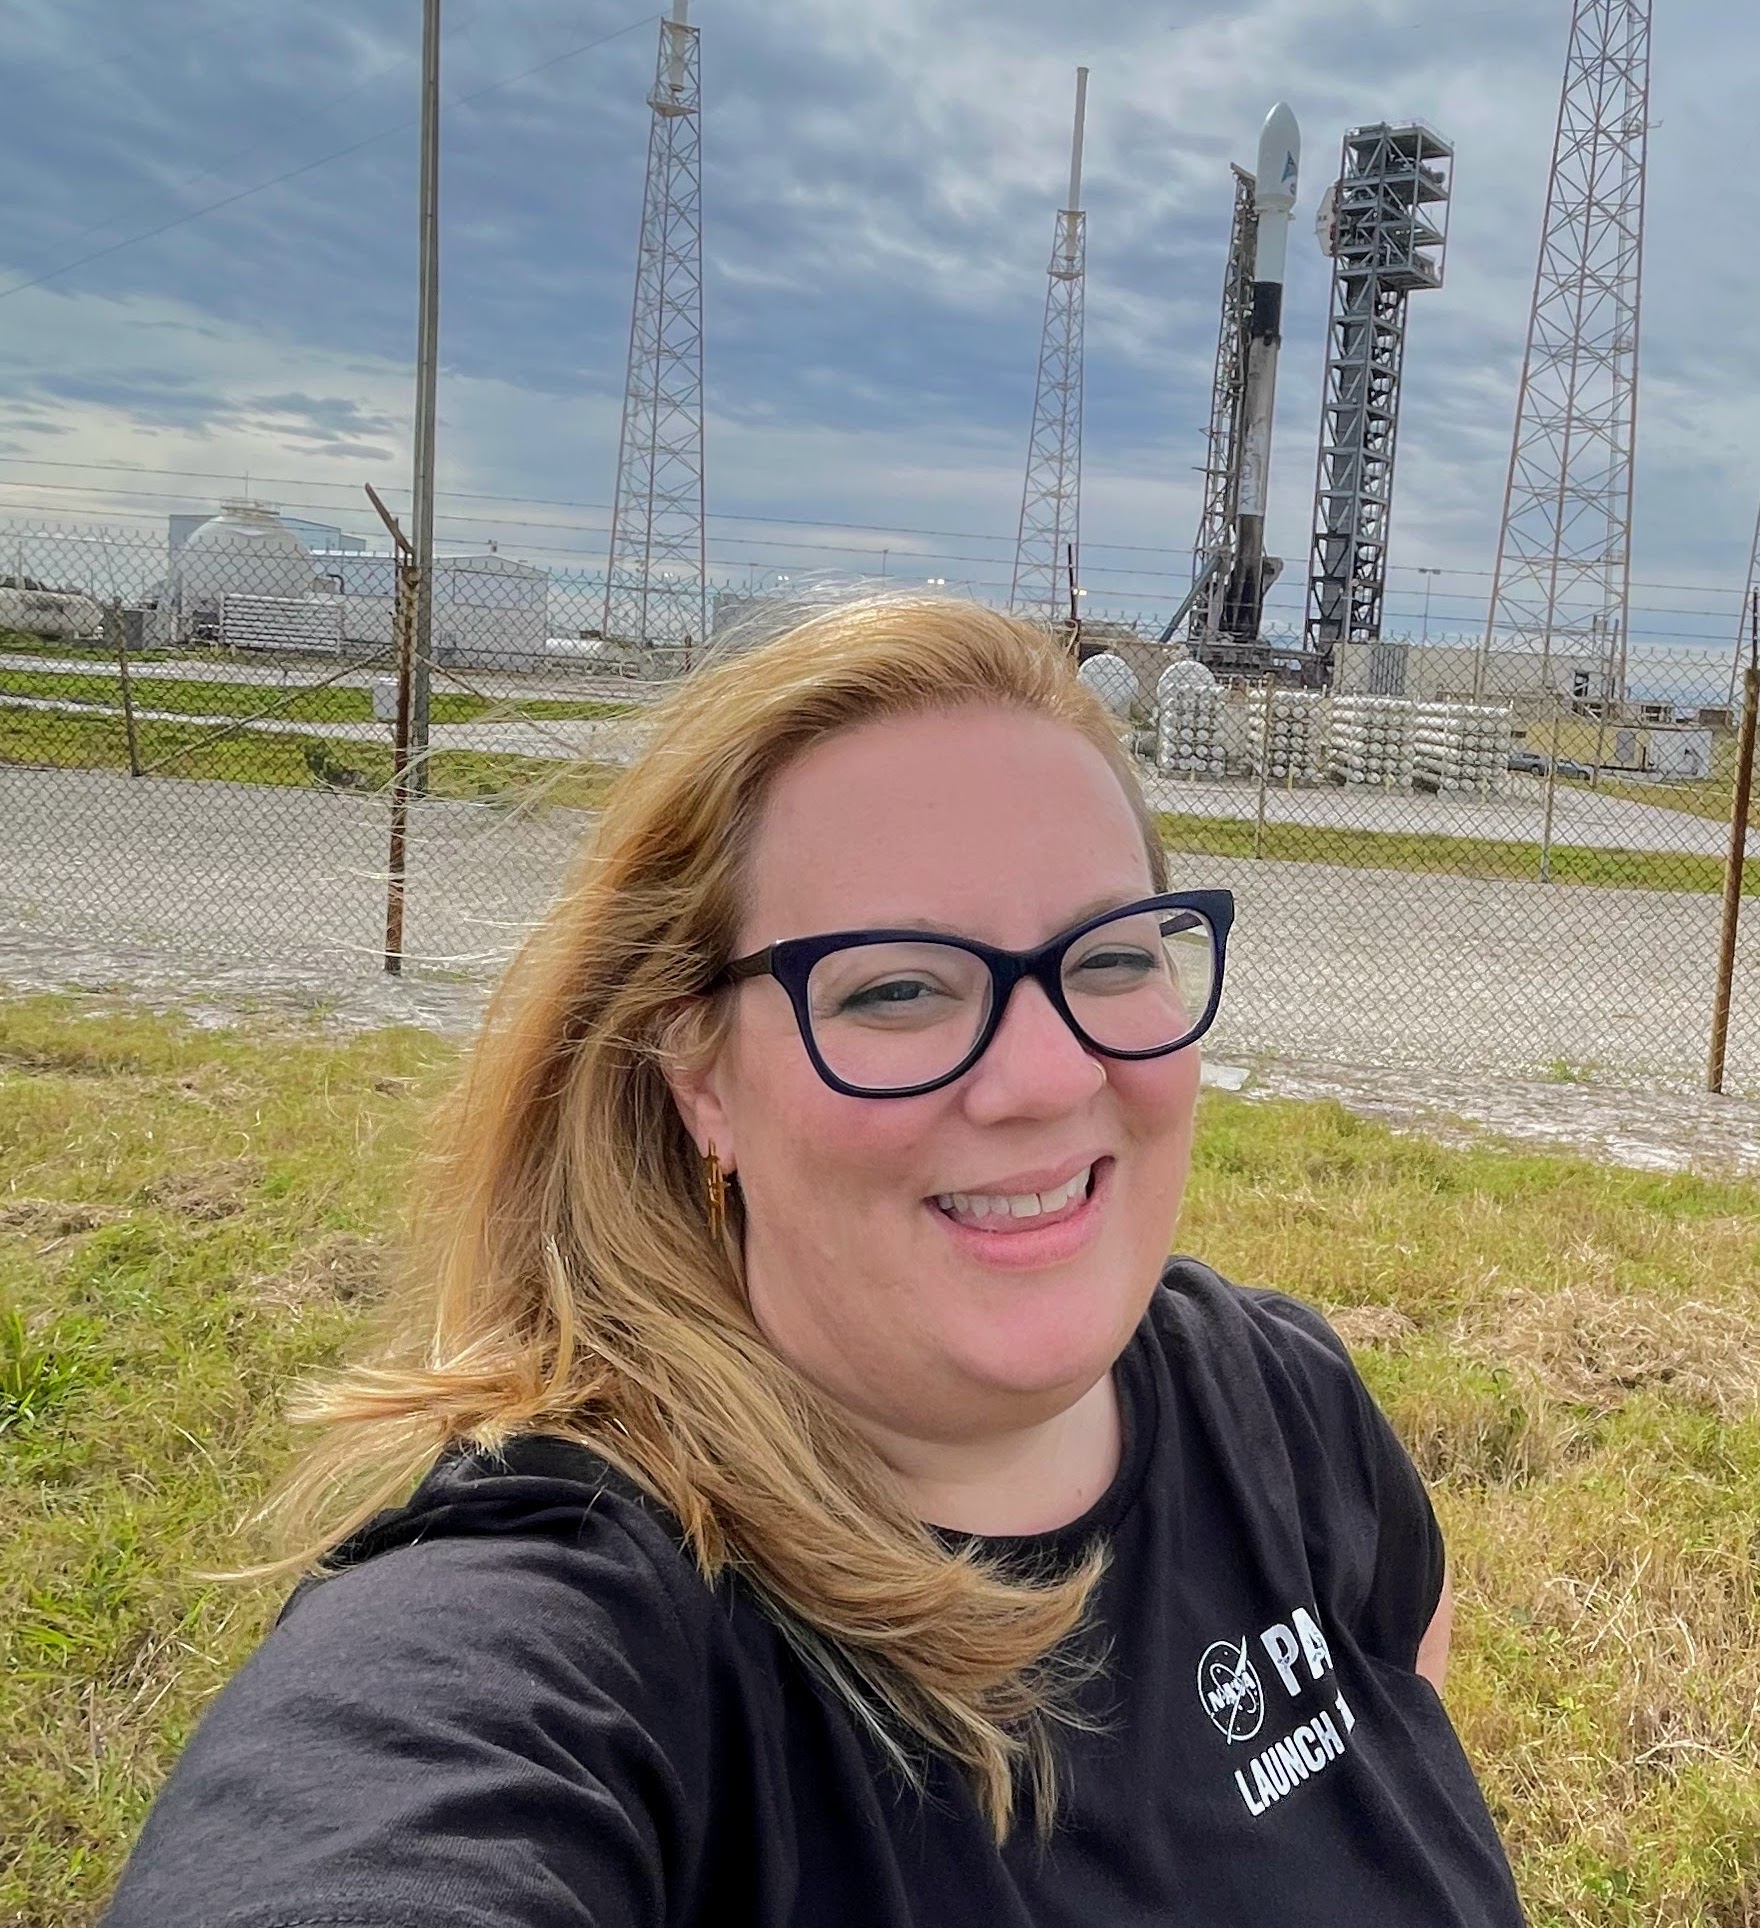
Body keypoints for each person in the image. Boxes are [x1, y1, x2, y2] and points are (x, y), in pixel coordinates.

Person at [105, 598, 1525, 1927]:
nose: (1044, 1074)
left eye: (1108, 958)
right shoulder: (575, 1618)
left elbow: (1408, 1674)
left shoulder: (1280, 1395)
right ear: (698, 1073)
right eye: (895, 986)